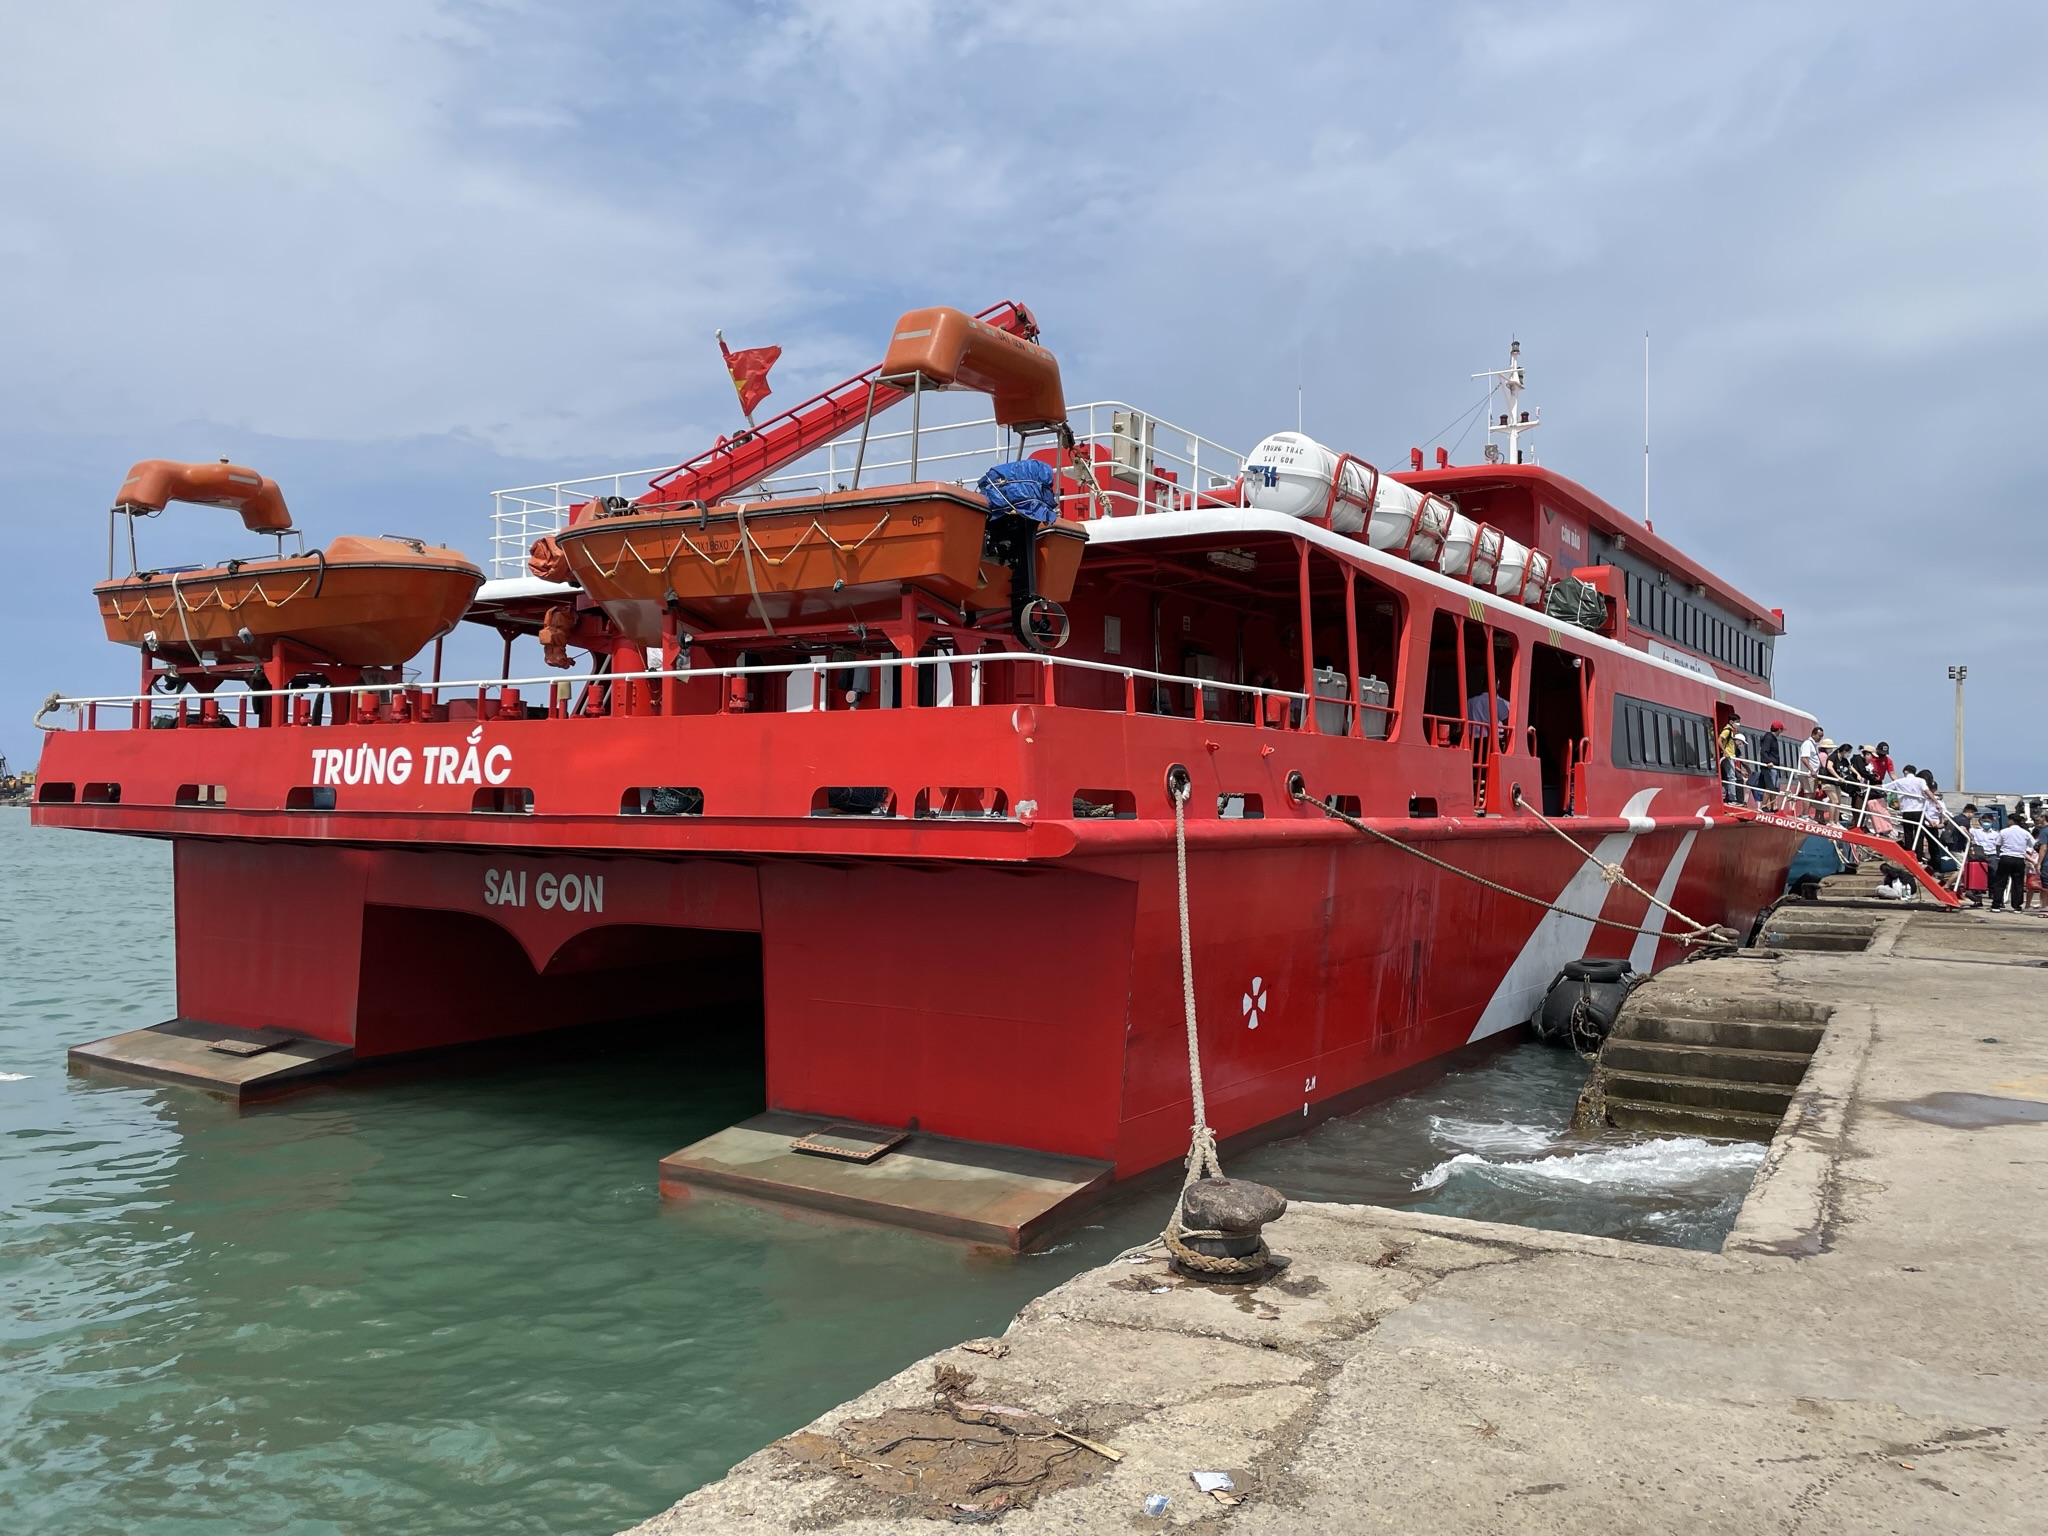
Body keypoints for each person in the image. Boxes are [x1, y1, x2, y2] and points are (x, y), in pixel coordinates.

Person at [1993, 814, 2032, 913]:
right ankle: (2017, 906)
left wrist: (1999, 854)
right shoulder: (2025, 833)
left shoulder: (2004, 831)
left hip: (2006, 857)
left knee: (2000, 881)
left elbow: (1998, 845)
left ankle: (1996, 905)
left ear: (2011, 821)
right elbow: (2032, 844)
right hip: (2019, 859)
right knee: (2018, 883)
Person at [1796, 726, 1827, 814]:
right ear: (1813, 734)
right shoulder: (1807, 744)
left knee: (1812, 793)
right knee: (1808, 794)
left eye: (1822, 736)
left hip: (1812, 774)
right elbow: (1804, 758)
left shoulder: (1814, 745)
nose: (1820, 738)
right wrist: (1811, 770)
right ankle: (1805, 814)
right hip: (1808, 774)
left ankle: (1806, 813)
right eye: (1819, 736)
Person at [1717, 713, 1746, 805]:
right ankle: (1732, 799)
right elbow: (1719, 740)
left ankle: (1729, 797)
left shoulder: (1732, 731)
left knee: (1730, 777)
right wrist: (1725, 752)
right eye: (1737, 722)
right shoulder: (1727, 731)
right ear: (1731, 721)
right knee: (1731, 778)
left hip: (1731, 756)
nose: (1738, 724)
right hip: (1728, 756)